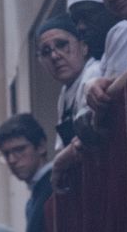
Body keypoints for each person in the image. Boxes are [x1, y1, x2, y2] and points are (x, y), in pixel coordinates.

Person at [0, 114, 53, 232]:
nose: (12, 160)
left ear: (41, 146)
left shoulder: (56, 184)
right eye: (6, 154)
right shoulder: (36, 193)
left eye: (19, 150)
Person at [35, 14, 91, 148]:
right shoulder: (65, 93)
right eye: (46, 51)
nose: (54, 56)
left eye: (61, 45)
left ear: (83, 47)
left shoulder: (93, 75)